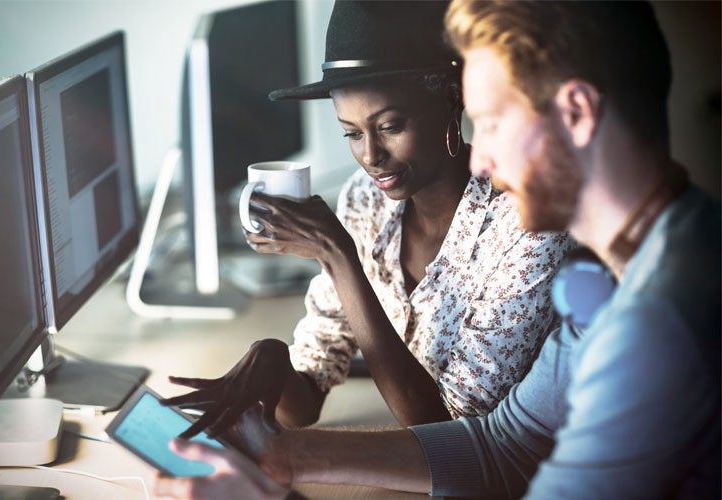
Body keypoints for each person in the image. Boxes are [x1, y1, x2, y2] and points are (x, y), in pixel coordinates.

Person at [154, 0, 720, 498]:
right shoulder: (635, 265)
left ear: (575, 113)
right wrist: (283, 460)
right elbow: (507, 447)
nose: (479, 159)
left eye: (493, 122)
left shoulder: (657, 327)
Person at [162, 0, 573, 435]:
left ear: (453, 101)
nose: (371, 157)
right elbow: (304, 406)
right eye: (352, 134)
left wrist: (338, 255)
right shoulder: (366, 201)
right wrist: (271, 359)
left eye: (390, 126)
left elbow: (453, 431)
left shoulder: (528, 223)